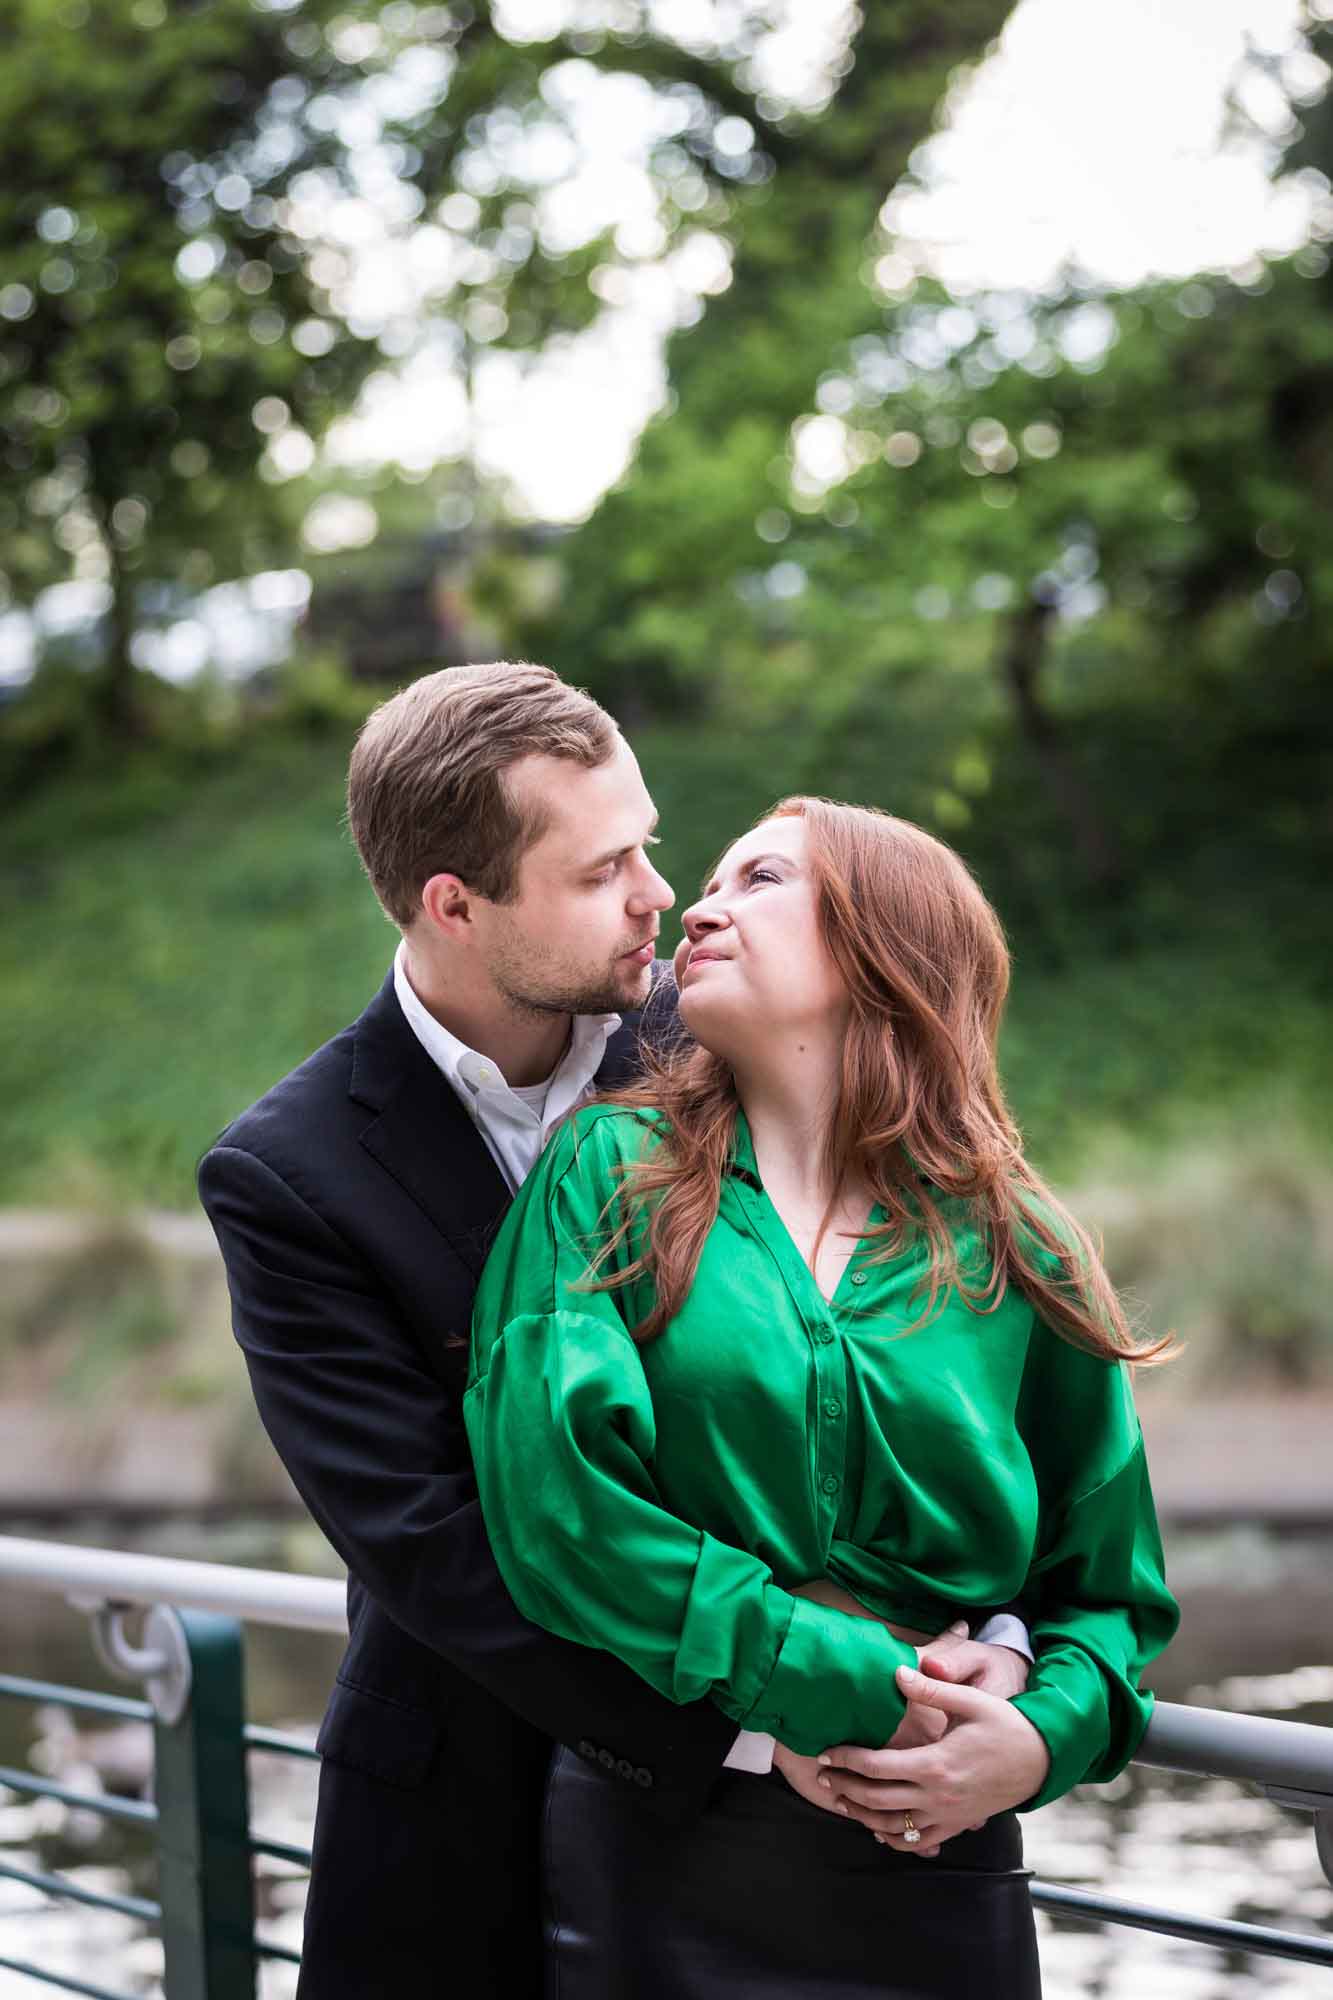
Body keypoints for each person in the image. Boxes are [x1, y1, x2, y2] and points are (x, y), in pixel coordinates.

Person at [197, 665, 1032, 1999]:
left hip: (791, 1842)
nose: (660, 892)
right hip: (456, 1831)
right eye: (602, 871)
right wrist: (769, 1714)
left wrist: (993, 1635)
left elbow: (921, 1366)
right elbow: (429, 1538)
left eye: (646, 842)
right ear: (454, 905)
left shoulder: (731, 1028)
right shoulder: (287, 1174)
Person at [465, 794, 1181, 1997]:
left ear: (882, 945)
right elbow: (557, 1505)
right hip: (668, 1844)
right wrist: (839, 1677)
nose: (698, 908)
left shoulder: (1019, 1245)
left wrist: (1034, 1739)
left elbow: (1108, 1592)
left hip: (939, 1856)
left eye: (760, 879)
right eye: (710, 882)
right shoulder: (605, 1172)